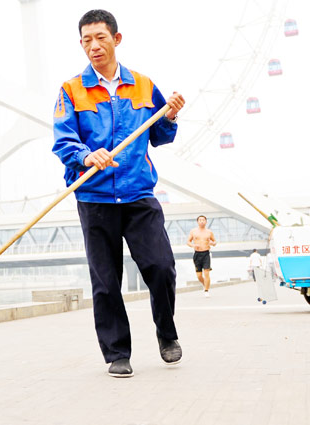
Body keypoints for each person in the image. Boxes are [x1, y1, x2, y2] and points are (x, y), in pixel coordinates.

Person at [52, 9, 185, 378]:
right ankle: (117, 353)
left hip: (138, 193)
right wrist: (85, 155)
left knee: (161, 268)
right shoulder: (71, 90)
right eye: (86, 40)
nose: (94, 46)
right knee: (105, 281)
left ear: (116, 39)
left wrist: (170, 116)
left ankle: (167, 334)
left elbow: (158, 135)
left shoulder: (142, 85)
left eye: (100, 38)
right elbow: (63, 141)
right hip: (94, 198)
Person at [187, 215, 217, 298]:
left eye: (203, 220)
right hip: (197, 254)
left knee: (206, 273)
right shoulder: (193, 231)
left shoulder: (209, 232)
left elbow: (215, 242)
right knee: (199, 276)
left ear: (206, 221)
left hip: (206, 253)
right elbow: (188, 242)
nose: (202, 221)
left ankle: (206, 290)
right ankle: (205, 285)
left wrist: (212, 243)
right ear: (197, 222)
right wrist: (193, 245)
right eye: (200, 220)